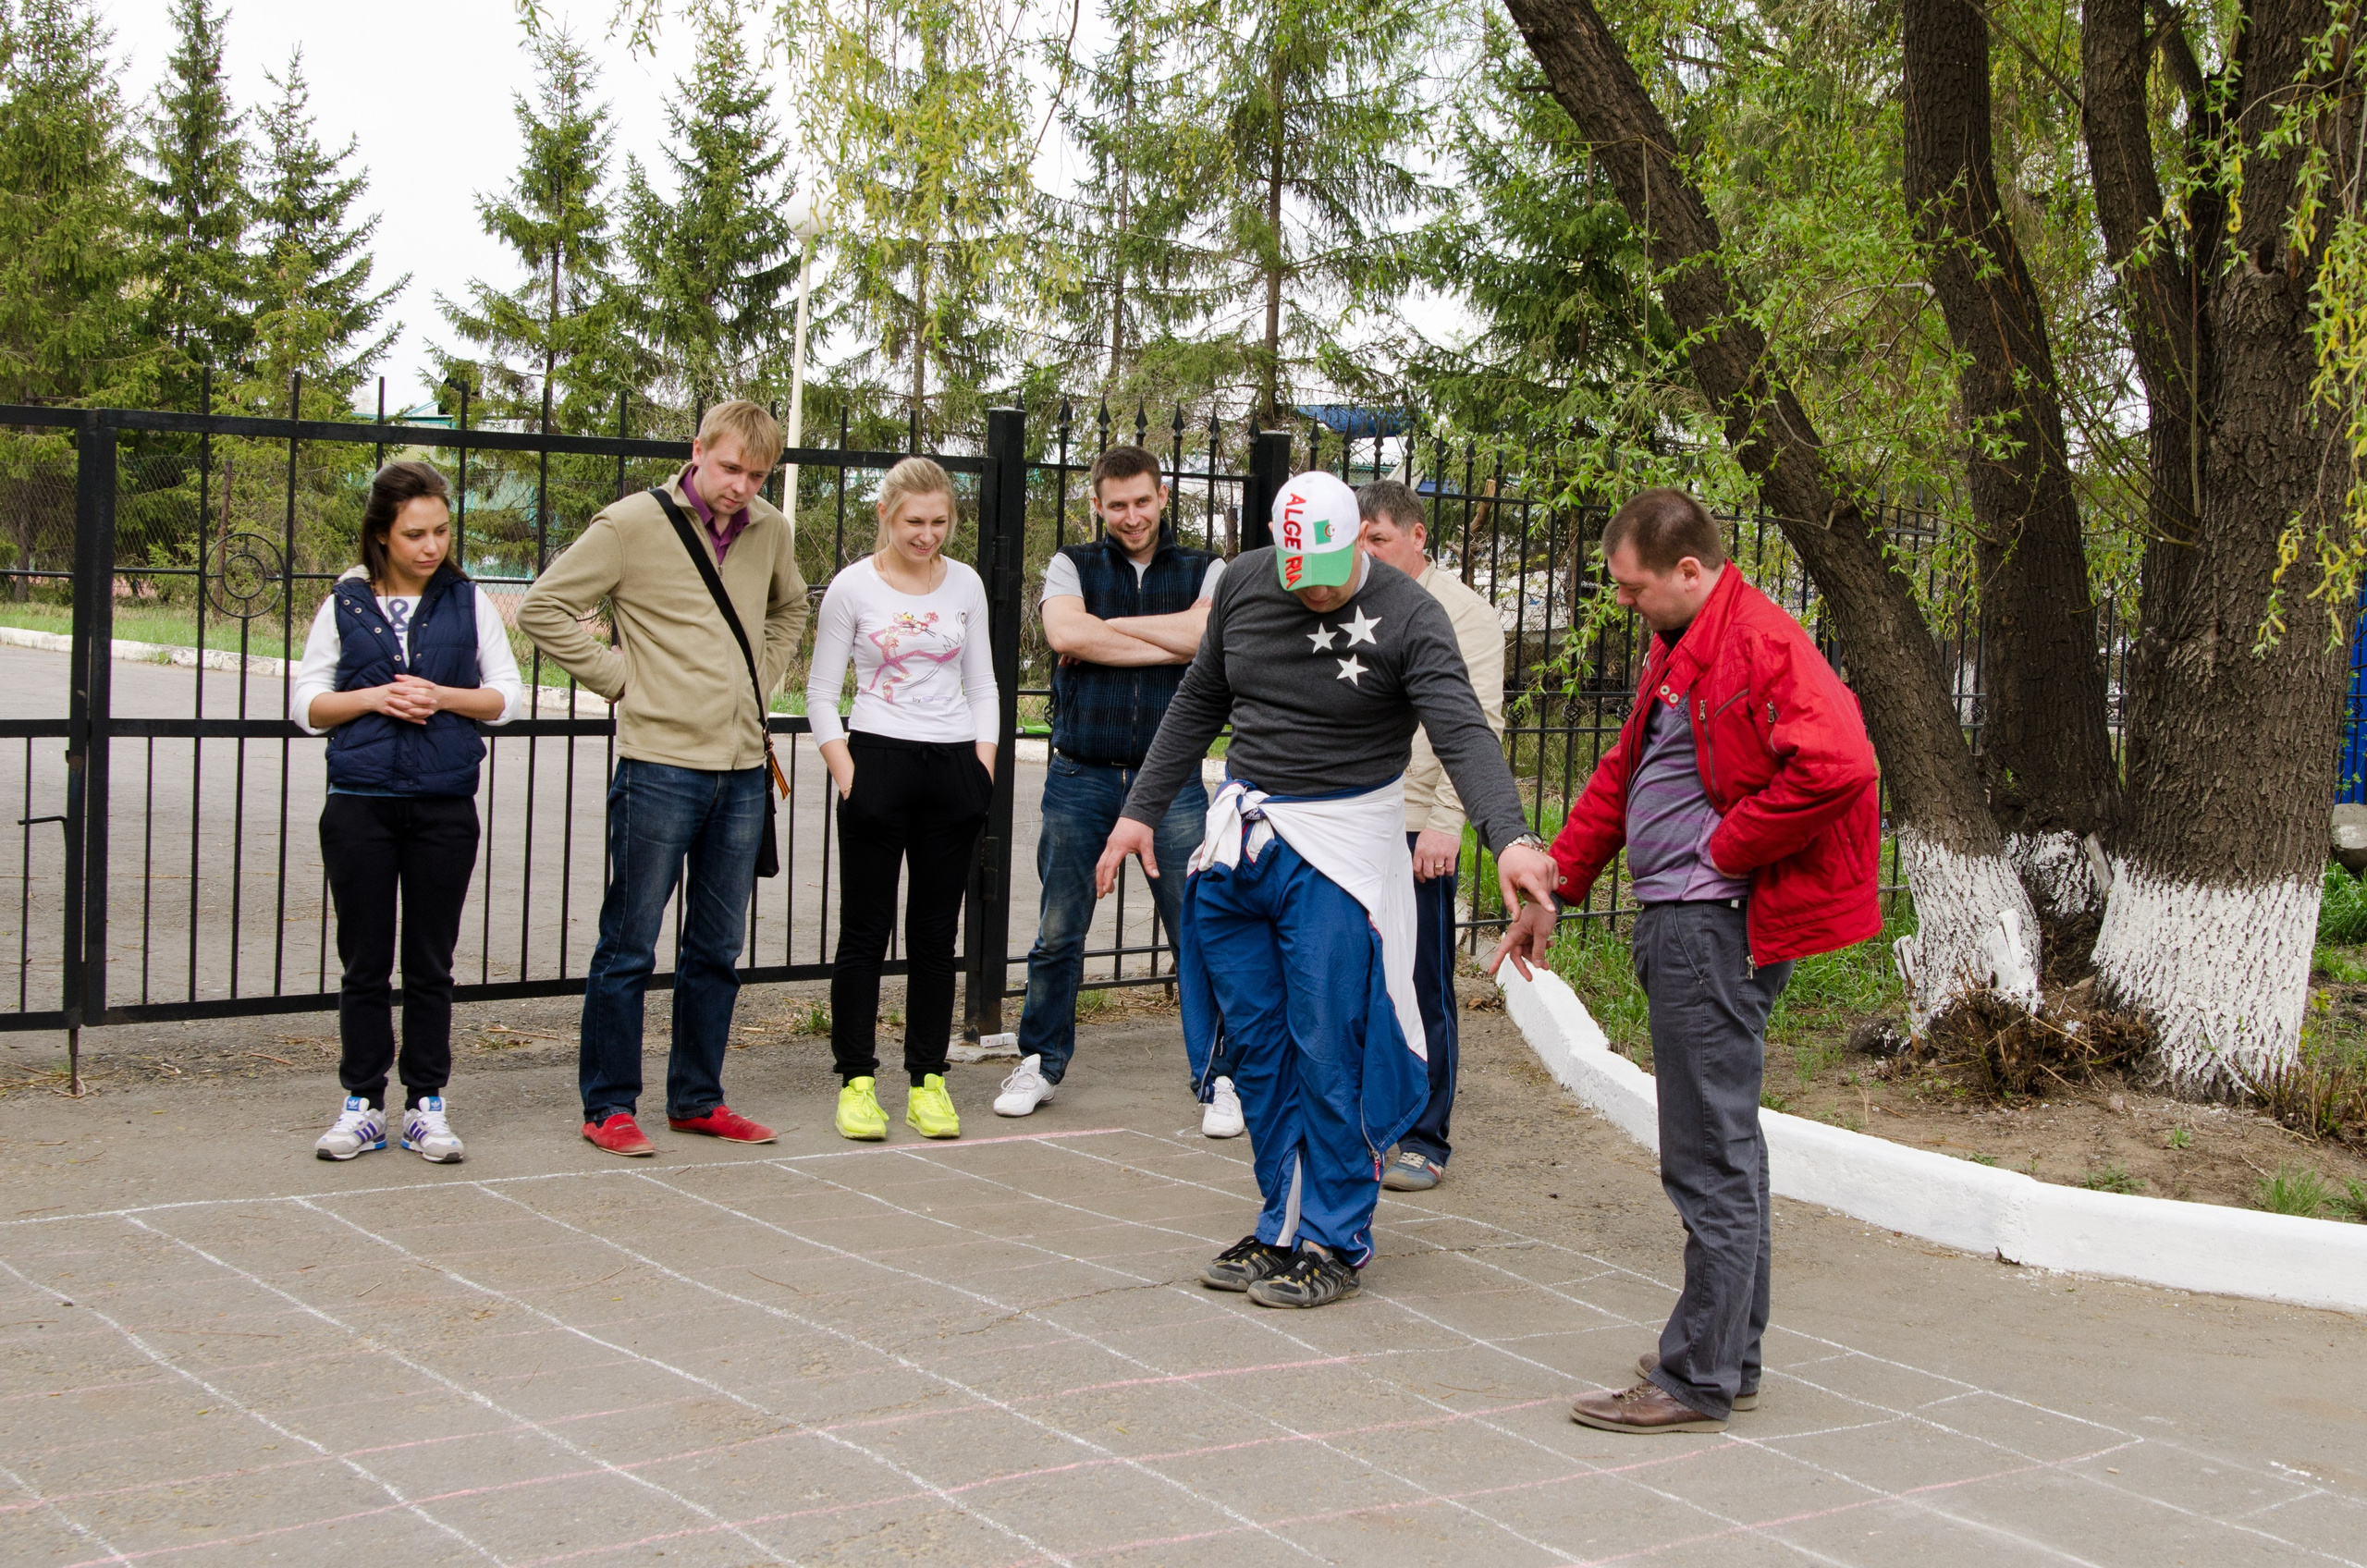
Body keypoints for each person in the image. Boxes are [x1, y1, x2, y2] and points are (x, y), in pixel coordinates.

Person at [1098, 470, 1558, 1309]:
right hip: (1245, 846)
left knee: (1328, 1046)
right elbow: (1201, 698)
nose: (1310, 591)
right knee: (1260, 1049)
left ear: (1358, 542)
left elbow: (1462, 729)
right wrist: (1139, 813)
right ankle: (1283, 1219)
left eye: (1327, 574)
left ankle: (1336, 1236)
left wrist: (1513, 837)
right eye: (1294, 572)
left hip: (1340, 855)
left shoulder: (1411, 615)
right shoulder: (1244, 582)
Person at [1490, 487, 1880, 1434]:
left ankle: (1696, 1373)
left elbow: (1840, 764)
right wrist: (1559, 881)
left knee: (1707, 1153)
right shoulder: (1682, 648)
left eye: (1632, 589)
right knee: (1723, 1145)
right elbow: (1628, 770)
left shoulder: (1759, 642)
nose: (1622, 604)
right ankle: (1727, 1353)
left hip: (1713, 927)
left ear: (1689, 572)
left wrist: (1728, 847)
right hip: (1687, 922)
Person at [519, 400, 809, 1158]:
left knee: (716, 948)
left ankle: (698, 1099)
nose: (740, 486)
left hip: (744, 769)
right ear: (697, 452)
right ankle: (609, 1105)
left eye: (757, 474)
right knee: (630, 944)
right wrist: (623, 682)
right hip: (657, 766)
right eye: (728, 468)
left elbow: (790, 608)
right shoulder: (630, 525)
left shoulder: (771, 530)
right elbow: (542, 607)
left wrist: (763, 678)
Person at [993, 445, 1236, 1133]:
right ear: (1097, 504)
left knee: (1198, 933)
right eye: (1117, 504)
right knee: (1057, 931)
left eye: (1142, 501)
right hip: (1080, 778)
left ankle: (1219, 1076)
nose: (1131, 517)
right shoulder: (1072, 563)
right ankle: (1040, 1060)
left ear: (1163, 497)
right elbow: (1065, 629)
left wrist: (1110, 631)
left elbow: (1205, 634)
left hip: (1173, 785)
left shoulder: (1205, 568)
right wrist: (1175, 640)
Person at [294, 460, 522, 1164]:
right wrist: (372, 698)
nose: (431, 546)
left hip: (443, 807)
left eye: (441, 531)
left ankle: (427, 1105)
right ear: (382, 536)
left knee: (430, 963)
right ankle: (361, 1103)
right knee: (364, 962)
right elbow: (306, 707)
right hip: (360, 805)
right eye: (415, 534)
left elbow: (507, 698)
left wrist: (441, 695)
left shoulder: (468, 601)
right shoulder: (345, 604)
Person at [805, 457, 1000, 1143]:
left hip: (953, 770)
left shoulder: (967, 584)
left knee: (934, 935)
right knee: (863, 932)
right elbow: (822, 693)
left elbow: (983, 685)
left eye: (940, 521)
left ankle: (928, 1081)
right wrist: (847, 772)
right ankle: (858, 1080)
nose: (927, 535)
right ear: (886, 515)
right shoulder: (852, 588)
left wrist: (982, 767)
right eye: (914, 521)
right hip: (877, 761)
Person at [1355, 480, 1505, 1192]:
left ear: (1418, 537)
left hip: (1420, 826)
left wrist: (1448, 821)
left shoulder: (1465, 615)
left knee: (1420, 985)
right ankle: (1360, 1121)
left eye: (1378, 539)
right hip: (1354, 816)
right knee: (1350, 978)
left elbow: (1477, 726)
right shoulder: (1350, 600)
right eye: (1357, 540)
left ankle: (1424, 1134)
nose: (1366, 553)